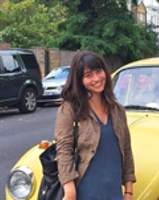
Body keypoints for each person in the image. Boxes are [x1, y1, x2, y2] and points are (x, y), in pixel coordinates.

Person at [54, 50, 136, 200]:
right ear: (79, 80)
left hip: (113, 193)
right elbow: (63, 150)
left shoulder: (117, 110)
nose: (96, 78)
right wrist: (70, 190)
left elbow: (126, 150)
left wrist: (128, 191)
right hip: (85, 193)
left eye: (99, 71)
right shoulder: (70, 109)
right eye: (88, 75)